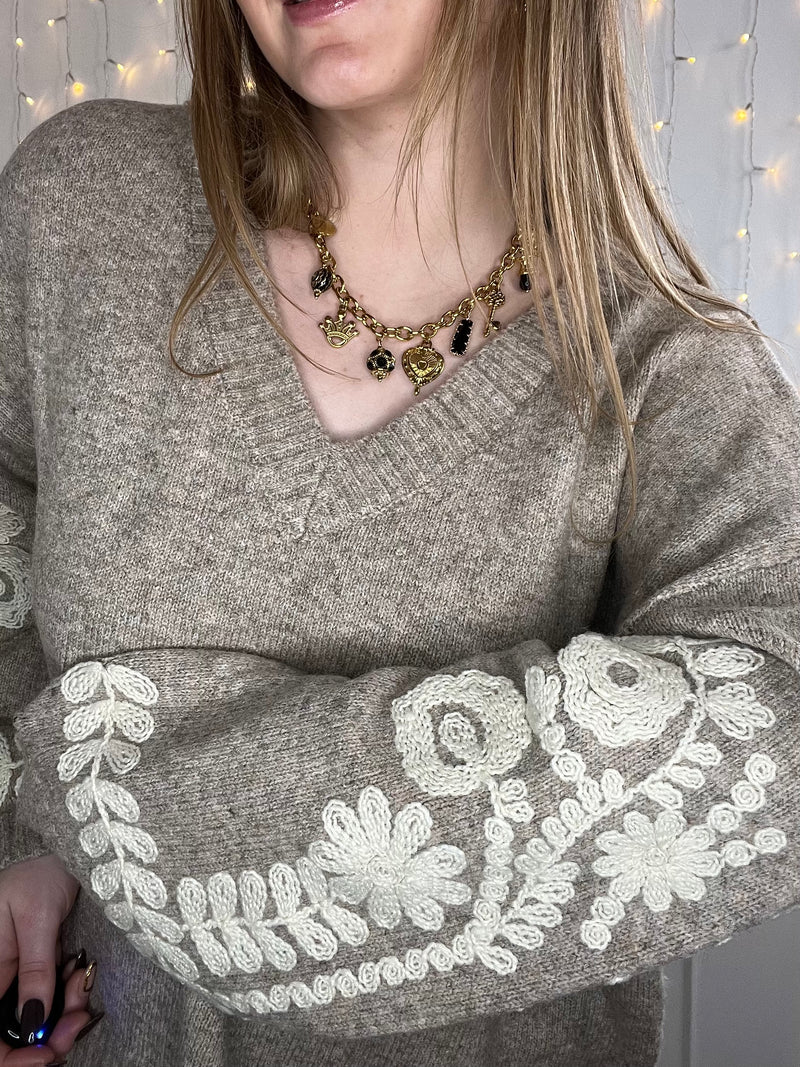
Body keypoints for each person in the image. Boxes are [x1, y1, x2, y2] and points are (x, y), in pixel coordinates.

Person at [0, 0, 798, 1065]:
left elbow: (778, 716)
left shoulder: (660, 363)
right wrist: (28, 833)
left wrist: (104, 786)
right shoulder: (87, 204)